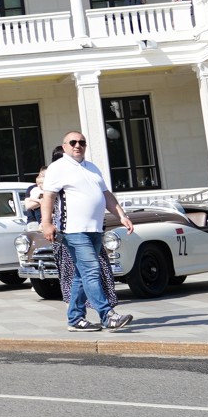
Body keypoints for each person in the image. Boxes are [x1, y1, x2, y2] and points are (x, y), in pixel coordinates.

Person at [43, 131, 135, 331]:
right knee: (92, 270)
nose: (78, 145)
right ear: (64, 146)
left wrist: (122, 215)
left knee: (81, 275)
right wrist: (46, 223)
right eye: (73, 142)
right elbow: (48, 197)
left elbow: (106, 194)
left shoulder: (91, 167)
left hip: (94, 229)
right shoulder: (57, 168)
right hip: (73, 231)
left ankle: (75, 319)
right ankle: (107, 315)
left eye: (82, 142)